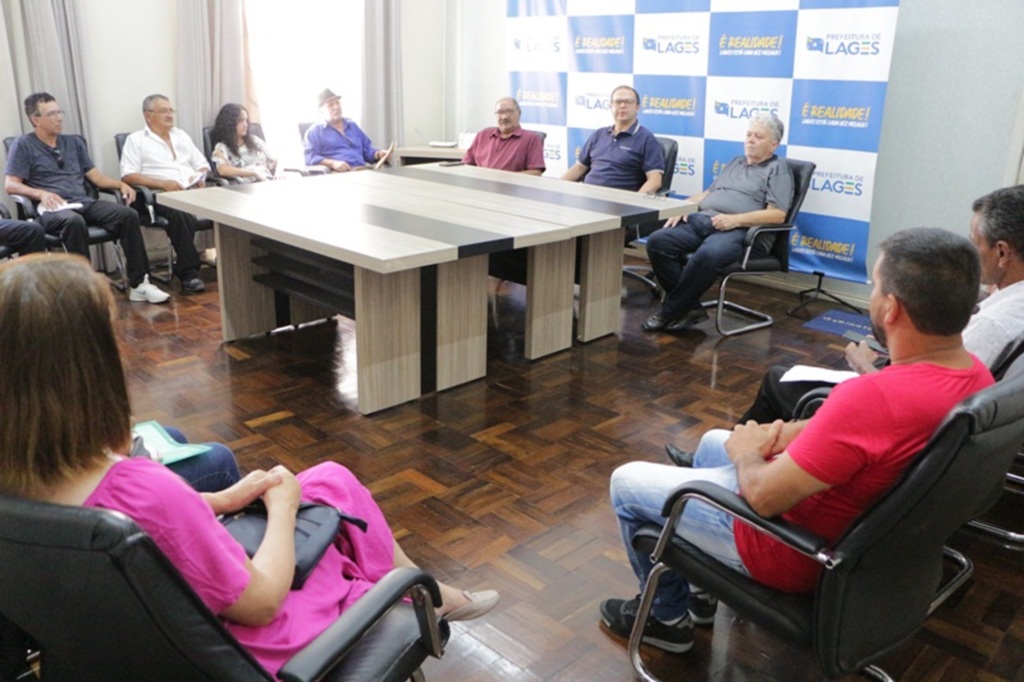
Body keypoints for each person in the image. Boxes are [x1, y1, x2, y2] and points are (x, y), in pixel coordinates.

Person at [0, 253, 499, 675]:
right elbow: (260, 603)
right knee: (327, 519)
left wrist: (216, 500)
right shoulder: (144, 487)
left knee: (329, 477)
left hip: (136, 652)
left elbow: (126, 519)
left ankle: (433, 595)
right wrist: (282, 509)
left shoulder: (21, 486)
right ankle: (421, 594)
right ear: (91, 374)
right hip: (260, 651)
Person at [601, 228, 992, 654]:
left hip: (789, 549)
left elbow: (766, 498)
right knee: (716, 441)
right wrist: (778, 435)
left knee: (627, 482)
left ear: (892, 309)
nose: (872, 298)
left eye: (875, 287)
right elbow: (864, 433)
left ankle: (665, 619)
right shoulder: (974, 375)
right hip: (864, 533)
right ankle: (700, 593)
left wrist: (750, 453)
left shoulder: (871, 398)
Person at [695, 185, 1024, 445]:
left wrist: (866, 368)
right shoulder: (1009, 302)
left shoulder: (992, 325)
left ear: (1002, 252)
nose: (971, 251)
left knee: (777, 378)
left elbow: (927, 406)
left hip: (893, 415)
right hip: (910, 406)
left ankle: (730, 460)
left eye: (974, 242)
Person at [4, 92, 169, 304]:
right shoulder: (24, 144)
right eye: (52, 113)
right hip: (52, 208)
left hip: (82, 201)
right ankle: (83, 290)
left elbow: (96, 178)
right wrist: (41, 193)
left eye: (59, 112)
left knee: (127, 214)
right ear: (36, 119)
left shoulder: (73, 143)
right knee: (74, 221)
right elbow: (11, 185)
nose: (59, 117)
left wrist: (121, 184)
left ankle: (140, 284)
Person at [641, 112, 794, 333]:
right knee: (658, 241)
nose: (750, 140)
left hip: (743, 232)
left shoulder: (778, 169)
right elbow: (707, 194)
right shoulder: (736, 162)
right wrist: (681, 208)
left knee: (708, 254)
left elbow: (777, 214)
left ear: (773, 144)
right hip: (705, 220)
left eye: (758, 136)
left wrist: (735, 220)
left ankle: (668, 312)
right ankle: (690, 307)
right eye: (749, 134)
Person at [120, 94, 210, 293]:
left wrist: (200, 177)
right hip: (153, 196)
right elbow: (128, 176)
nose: (170, 115)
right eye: (164, 111)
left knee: (227, 205)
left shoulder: (181, 135)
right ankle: (189, 272)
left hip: (189, 191)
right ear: (148, 115)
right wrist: (162, 183)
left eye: (171, 110)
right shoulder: (136, 140)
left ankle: (237, 261)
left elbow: (202, 164)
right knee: (180, 212)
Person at [561, 85, 664, 194]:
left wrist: (636, 203)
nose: (623, 106)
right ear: (611, 106)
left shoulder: (646, 139)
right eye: (618, 102)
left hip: (619, 204)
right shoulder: (599, 134)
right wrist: (557, 186)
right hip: (587, 197)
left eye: (628, 102)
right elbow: (579, 168)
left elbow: (655, 181)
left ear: (637, 107)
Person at [304, 88, 389, 172]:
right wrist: (333, 163)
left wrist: (378, 154)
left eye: (337, 103)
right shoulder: (315, 132)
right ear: (321, 110)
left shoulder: (352, 126)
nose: (336, 107)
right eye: (331, 105)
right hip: (338, 177)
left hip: (362, 171)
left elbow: (366, 150)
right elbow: (310, 158)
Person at [462, 97, 545, 175]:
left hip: (511, 188)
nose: (504, 117)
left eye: (509, 112)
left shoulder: (531, 139)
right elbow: (467, 163)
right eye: (500, 112)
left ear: (519, 113)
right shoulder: (482, 135)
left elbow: (536, 172)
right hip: (479, 186)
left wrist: (504, 179)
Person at [211, 103, 277, 183]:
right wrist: (253, 173)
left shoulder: (255, 141)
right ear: (229, 123)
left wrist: (279, 172)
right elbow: (223, 170)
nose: (245, 125)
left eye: (246, 120)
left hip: (268, 181)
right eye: (240, 121)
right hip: (246, 187)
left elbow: (275, 160)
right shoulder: (222, 148)